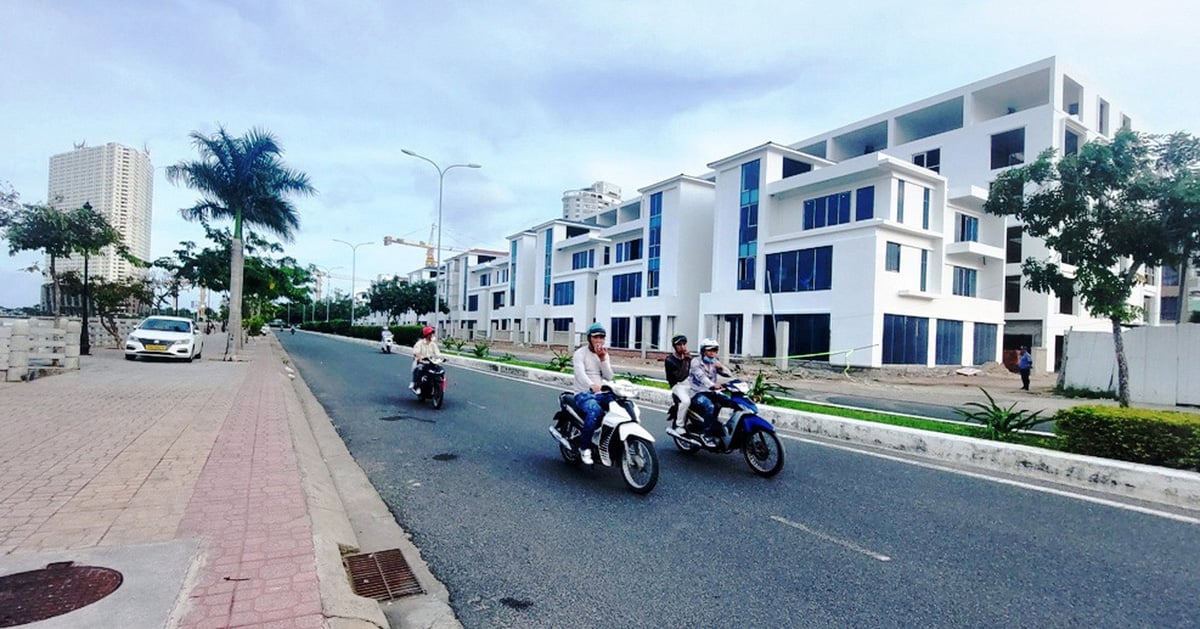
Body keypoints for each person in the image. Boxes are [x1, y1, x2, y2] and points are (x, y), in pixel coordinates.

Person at [572, 323, 614, 465]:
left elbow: (609, 377)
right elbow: (580, 374)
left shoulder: (604, 354)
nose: (599, 340)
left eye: (602, 337)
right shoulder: (580, 354)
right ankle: (585, 448)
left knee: (619, 406)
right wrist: (591, 385)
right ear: (589, 338)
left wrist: (603, 359)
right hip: (583, 393)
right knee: (595, 411)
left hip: (600, 392)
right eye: (596, 337)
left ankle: (608, 441)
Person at [689, 338, 733, 446]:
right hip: (697, 392)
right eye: (710, 350)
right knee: (710, 406)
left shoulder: (714, 362)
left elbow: (729, 374)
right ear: (703, 351)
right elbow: (702, 377)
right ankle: (707, 434)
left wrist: (721, 367)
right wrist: (713, 385)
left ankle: (725, 428)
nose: (712, 353)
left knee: (731, 402)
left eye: (715, 350)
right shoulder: (696, 362)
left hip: (711, 392)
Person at [664, 334, 692, 435]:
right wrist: (686, 360)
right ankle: (679, 424)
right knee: (685, 401)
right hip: (677, 385)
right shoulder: (670, 360)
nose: (682, 347)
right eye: (679, 344)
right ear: (674, 346)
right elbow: (680, 377)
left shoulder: (688, 358)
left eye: (684, 344)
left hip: (689, 383)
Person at [411, 326, 442, 393]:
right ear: (426, 335)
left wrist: (441, 358)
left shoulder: (433, 344)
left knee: (440, 370)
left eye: (432, 334)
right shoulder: (420, 343)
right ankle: (417, 386)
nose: (431, 335)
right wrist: (420, 357)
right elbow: (416, 352)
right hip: (422, 362)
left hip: (431, 362)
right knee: (419, 369)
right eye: (430, 334)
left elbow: (437, 353)